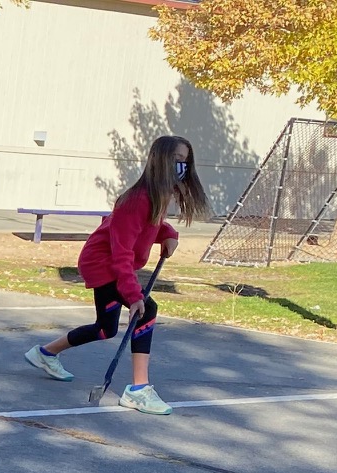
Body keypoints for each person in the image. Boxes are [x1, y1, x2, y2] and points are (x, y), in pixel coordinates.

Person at [24, 135, 210, 415]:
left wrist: (168, 233)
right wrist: (134, 295)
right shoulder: (137, 199)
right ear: (160, 162)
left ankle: (45, 353)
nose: (181, 167)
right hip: (103, 263)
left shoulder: (155, 197)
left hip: (112, 262)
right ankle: (138, 389)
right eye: (177, 161)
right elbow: (121, 251)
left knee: (105, 328)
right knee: (146, 310)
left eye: (185, 162)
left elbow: (149, 227)